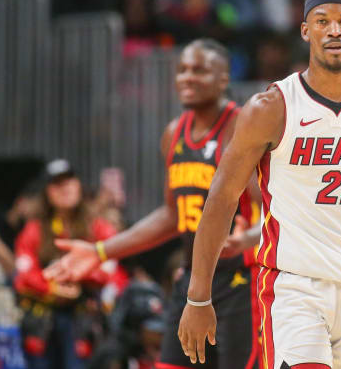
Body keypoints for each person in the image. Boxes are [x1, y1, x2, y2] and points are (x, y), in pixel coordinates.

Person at [177, 0, 341, 369]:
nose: (335, 30)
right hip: (295, 288)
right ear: (306, 30)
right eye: (322, 21)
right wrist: (198, 296)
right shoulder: (271, 107)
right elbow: (221, 198)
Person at [44, 39, 261, 369]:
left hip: (241, 281)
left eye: (199, 70)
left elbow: (279, 207)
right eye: (182, 70)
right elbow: (172, 215)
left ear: (223, 79)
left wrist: (250, 237)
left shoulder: (239, 129)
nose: (187, 77)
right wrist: (101, 251)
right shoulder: (174, 132)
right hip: (192, 280)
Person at [14, 159, 127, 369]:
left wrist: (79, 279)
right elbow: (23, 274)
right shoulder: (35, 229)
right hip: (43, 321)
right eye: (57, 184)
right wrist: (52, 288)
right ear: (47, 192)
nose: (64, 188)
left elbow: (111, 269)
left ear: (78, 185)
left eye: (69, 181)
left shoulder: (99, 227)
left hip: (84, 321)